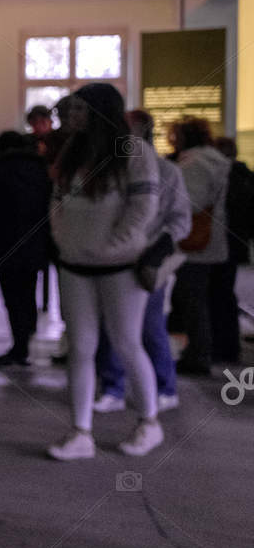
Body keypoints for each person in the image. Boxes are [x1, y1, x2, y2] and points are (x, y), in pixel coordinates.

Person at [47, 83, 163, 460]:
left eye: (81, 109)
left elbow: (143, 208)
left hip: (121, 268)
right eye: (72, 109)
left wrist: (114, 246)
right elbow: (57, 204)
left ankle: (149, 423)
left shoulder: (133, 151)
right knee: (80, 347)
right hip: (75, 264)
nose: (72, 116)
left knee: (128, 343)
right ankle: (80, 432)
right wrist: (65, 242)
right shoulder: (73, 151)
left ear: (100, 112)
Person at [92, 110, 192, 413]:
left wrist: (156, 250)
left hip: (147, 261)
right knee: (110, 327)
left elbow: (180, 221)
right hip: (113, 258)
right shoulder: (110, 169)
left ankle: (165, 387)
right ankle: (113, 387)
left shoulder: (167, 172)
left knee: (150, 327)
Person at [0, 130, 51, 366]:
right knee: (28, 291)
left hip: (5, 242)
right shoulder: (41, 169)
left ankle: (20, 345)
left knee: (12, 297)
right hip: (36, 243)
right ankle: (27, 335)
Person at [169, 117, 232, 375]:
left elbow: (191, 202)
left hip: (193, 244)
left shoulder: (194, 164)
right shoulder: (215, 159)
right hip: (210, 241)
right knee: (203, 299)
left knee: (193, 301)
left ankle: (198, 354)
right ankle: (205, 350)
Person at [211, 136, 250, 362]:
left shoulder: (229, 176)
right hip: (236, 243)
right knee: (224, 292)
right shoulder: (244, 176)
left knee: (220, 293)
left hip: (223, 242)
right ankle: (228, 345)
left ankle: (224, 346)